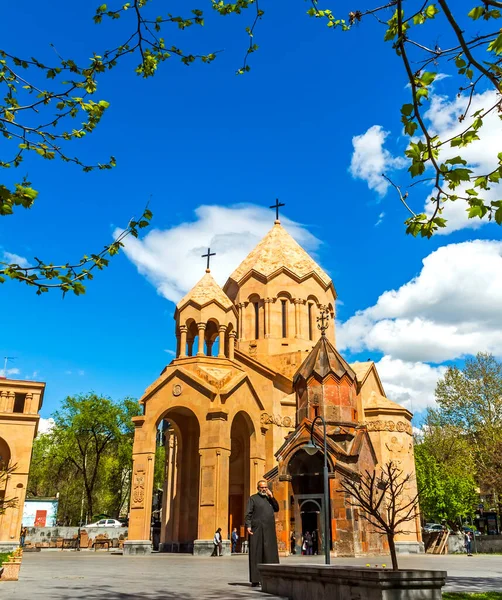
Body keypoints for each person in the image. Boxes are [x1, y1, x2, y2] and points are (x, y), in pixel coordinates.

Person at [245, 479, 279, 587]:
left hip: (269, 530)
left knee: (270, 553)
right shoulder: (253, 499)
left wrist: (272, 496)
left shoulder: (270, 499)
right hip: (257, 529)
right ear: (258, 488)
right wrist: (248, 526)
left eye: (265, 487)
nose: (264, 489)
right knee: (256, 553)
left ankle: (272, 577)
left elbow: (277, 508)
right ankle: (255, 579)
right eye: (262, 487)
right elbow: (248, 514)